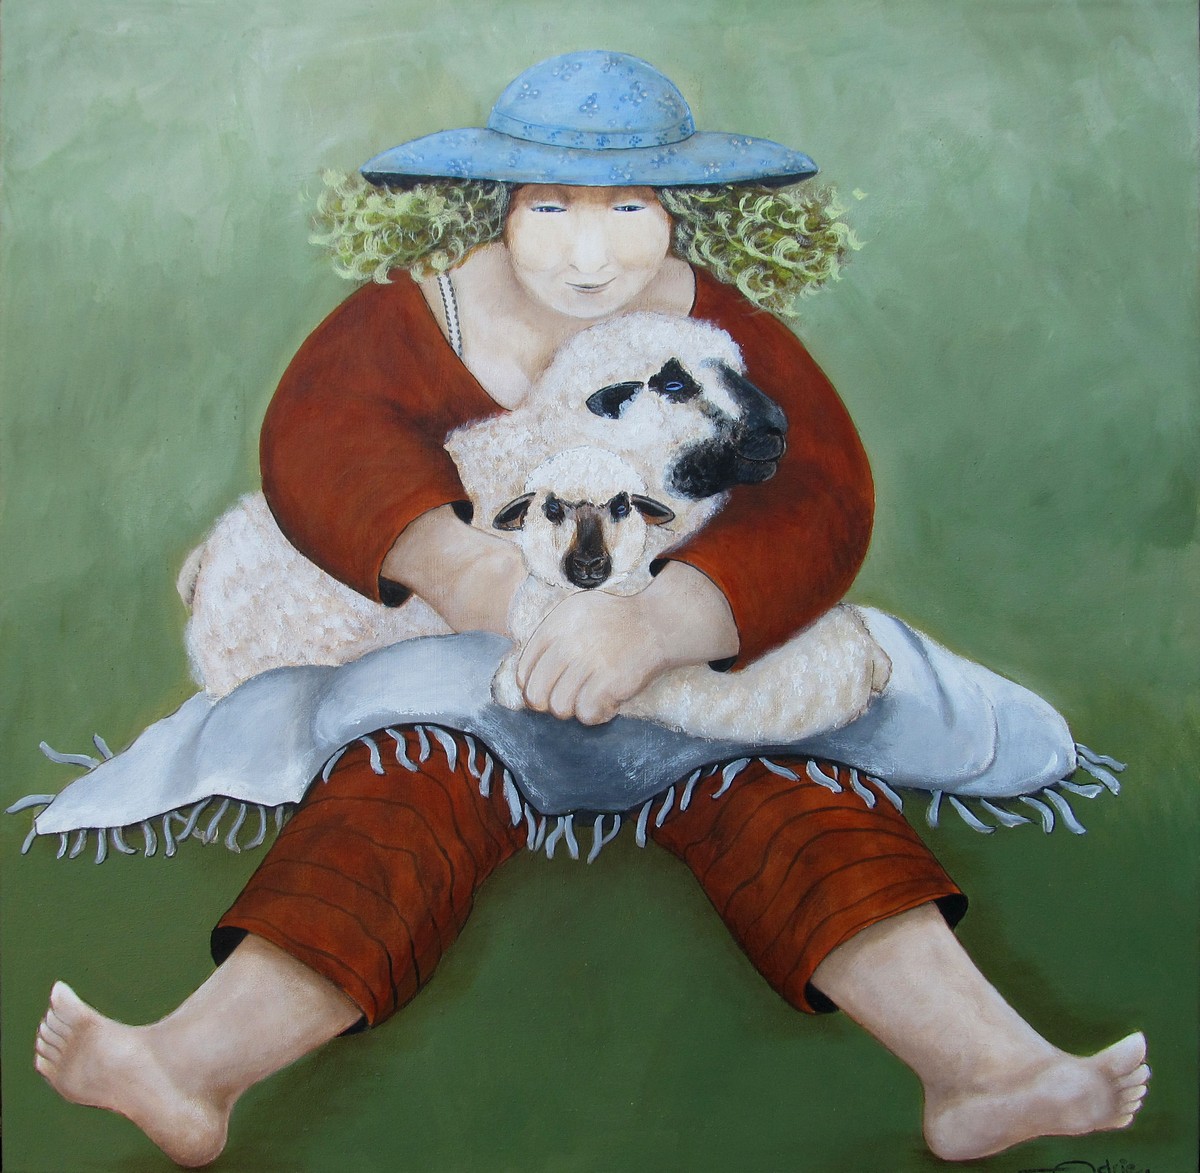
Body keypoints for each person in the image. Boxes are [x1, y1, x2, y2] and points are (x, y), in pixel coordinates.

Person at [33, 51, 1147, 1168]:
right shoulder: (416, 316)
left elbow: (821, 497)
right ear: (495, 206)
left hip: (676, 683)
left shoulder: (718, 330)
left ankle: (984, 1070)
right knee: (400, 792)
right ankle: (191, 1068)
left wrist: (661, 623)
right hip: (461, 674)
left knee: (791, 787)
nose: (588, 252)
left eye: (628, 209)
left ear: (681, 210)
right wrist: (481, 580)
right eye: (550, 207)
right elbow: (322, 443)